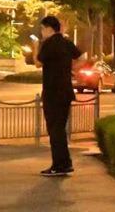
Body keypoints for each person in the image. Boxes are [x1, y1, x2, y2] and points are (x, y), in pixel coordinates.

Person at [34, 15, 82, 177]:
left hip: (52, 92)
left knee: (54, 130)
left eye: (42, 29)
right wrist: (70, 69)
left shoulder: (48, 44)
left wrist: (35, 47)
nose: (41, 32)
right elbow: (82, 57)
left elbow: (38, 63)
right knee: (60, 129)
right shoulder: (66, 42)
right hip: (66, 92)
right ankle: (66, 163)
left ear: (49, 28)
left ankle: (59, 165)